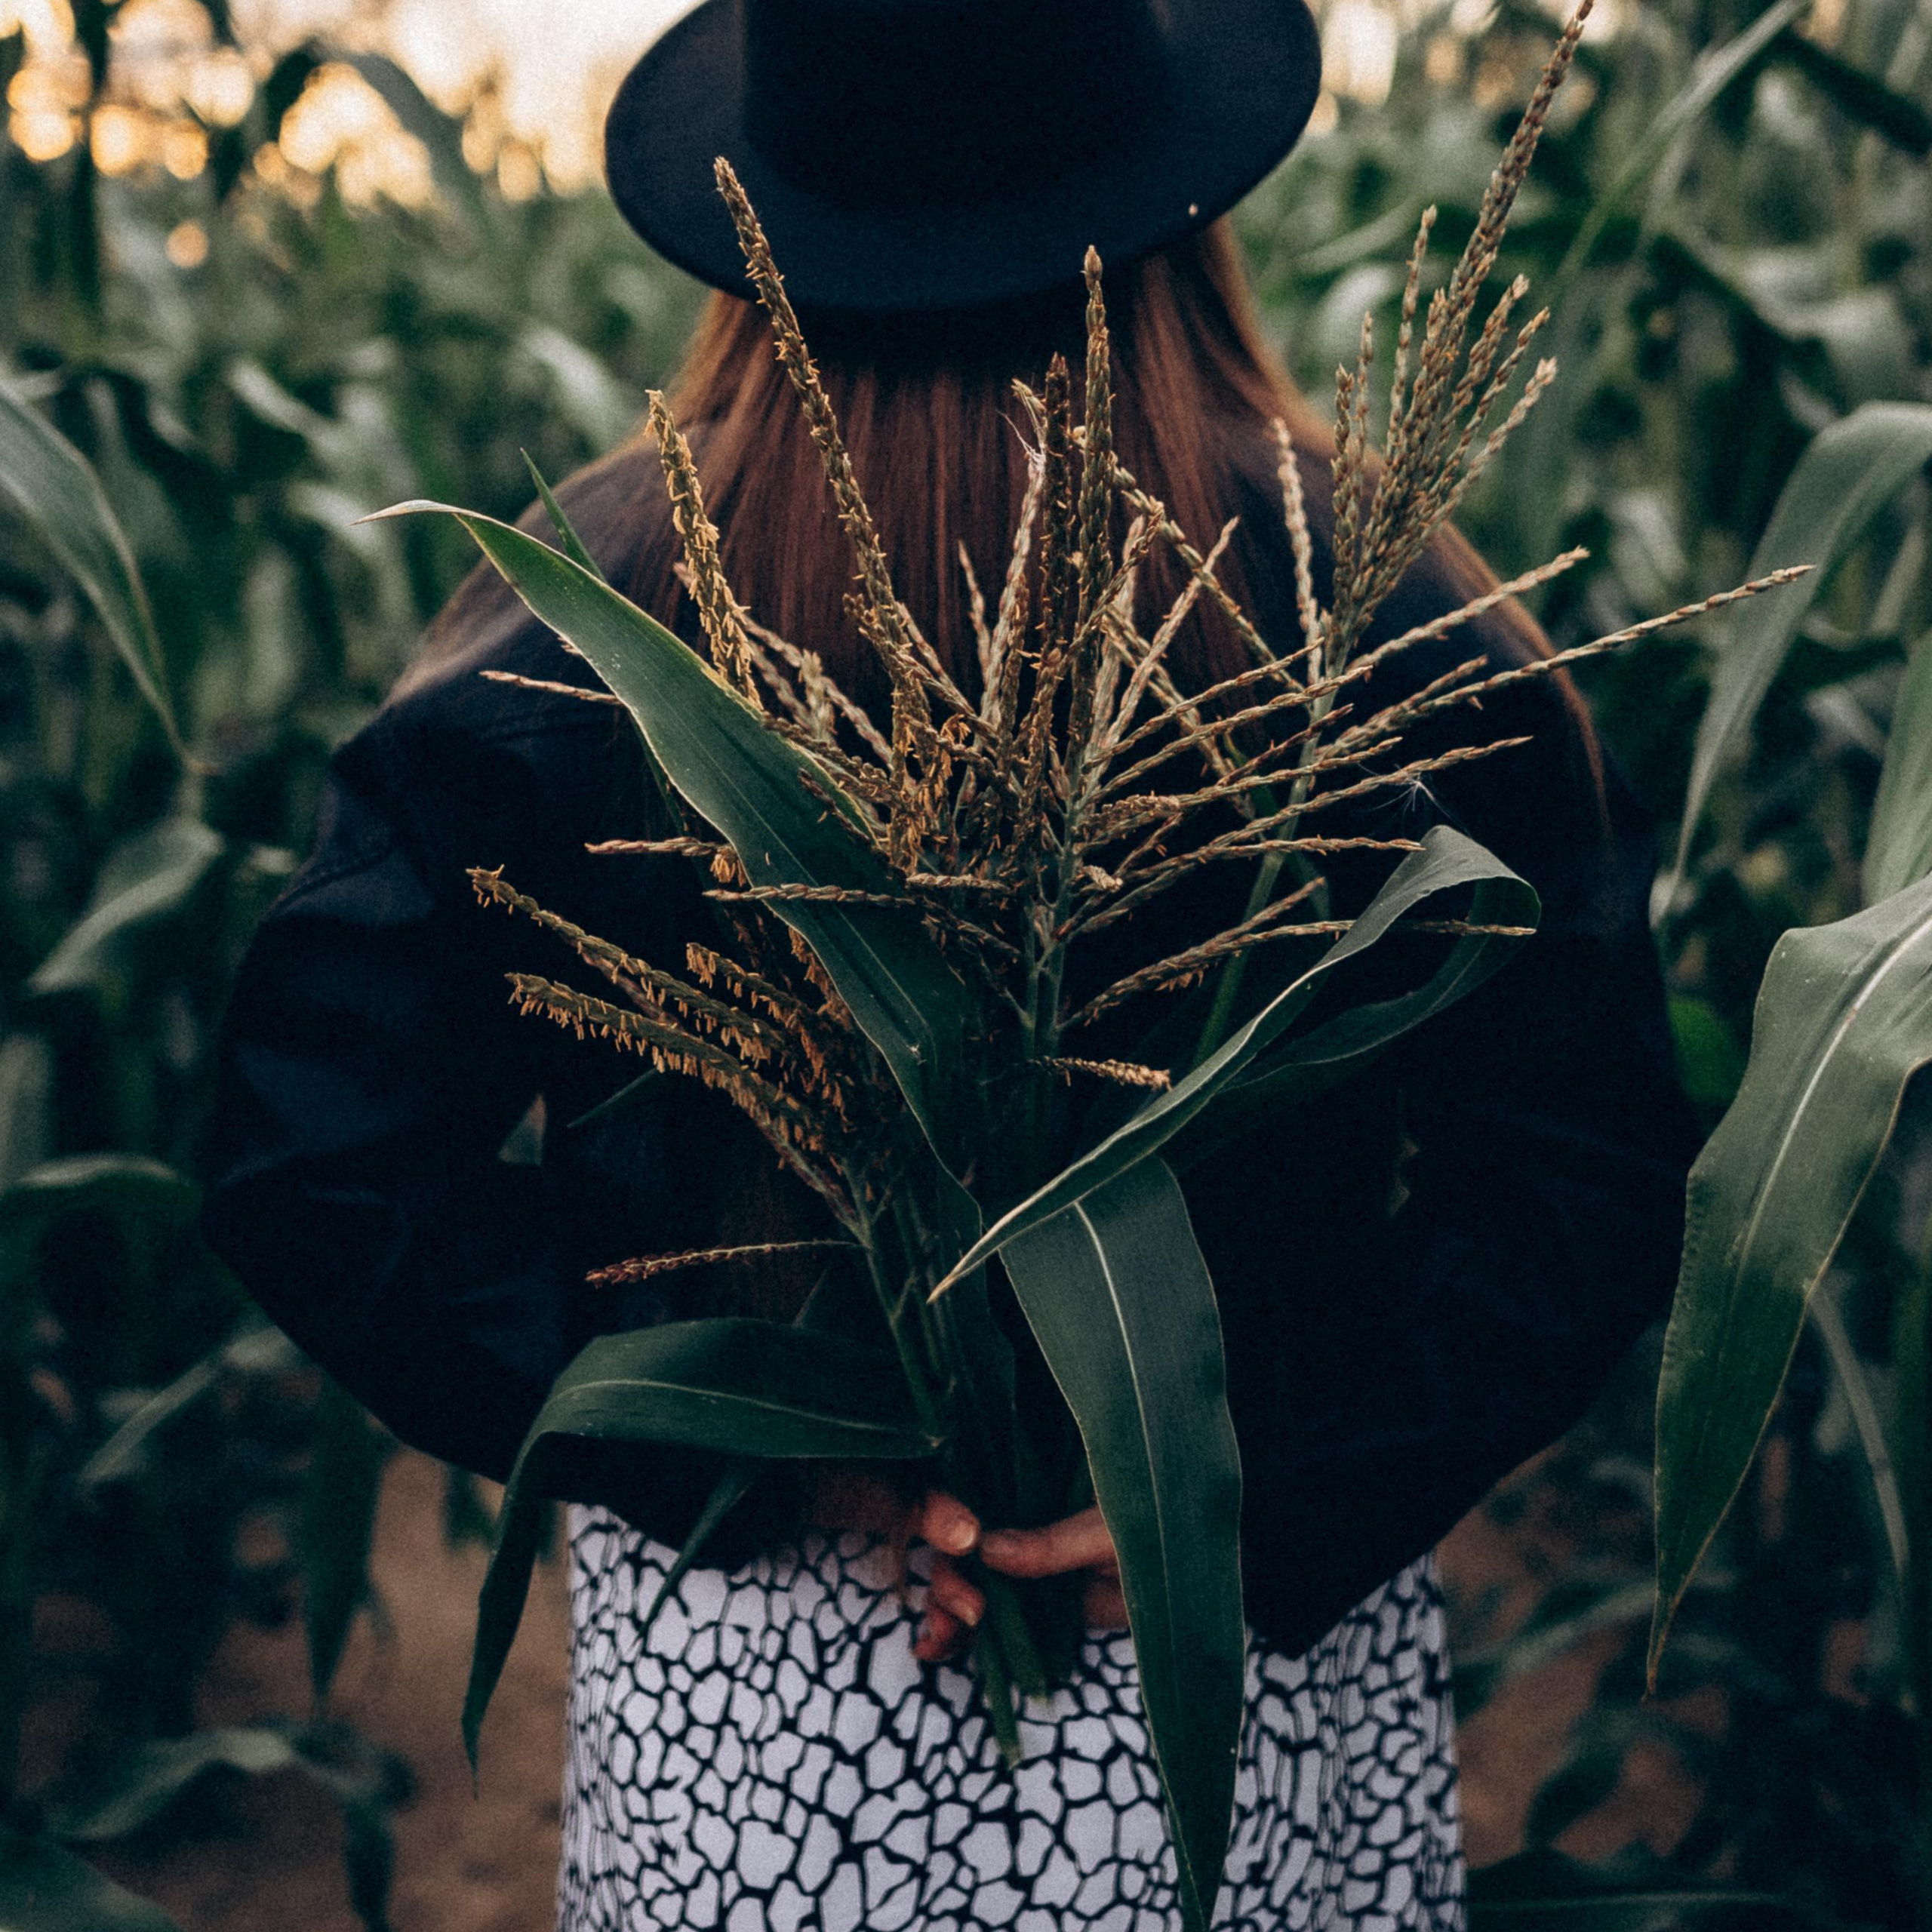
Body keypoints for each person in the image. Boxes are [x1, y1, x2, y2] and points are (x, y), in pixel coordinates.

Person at [204, 1, 1698, 1926]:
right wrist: (1259, 1488)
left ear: (770, 206)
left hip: (763, 1702)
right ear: (1170, 194)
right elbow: (1581, 1179)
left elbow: (307, 1165)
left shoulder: (582, 634)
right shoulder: (1385, 614)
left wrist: (766, 1447)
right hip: (1224, 1667)